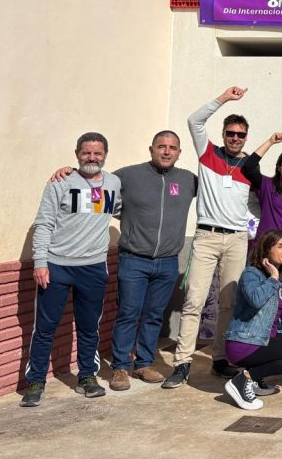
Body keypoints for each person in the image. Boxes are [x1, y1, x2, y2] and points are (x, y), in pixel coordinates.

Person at [21, 134, 121, 407]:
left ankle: (87, 377)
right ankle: (36, 382)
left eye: (97, 153)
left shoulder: (113, 183)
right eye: (86, 153)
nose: (92, 158)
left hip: (93, 267)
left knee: (89, 328)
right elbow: (44, 223)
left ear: (105, 154)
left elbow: (121, 209)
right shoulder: (60, 182)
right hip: (56, 266)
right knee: (45, 328)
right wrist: (40, 262)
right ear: (77, 154)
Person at [164, 86, 252, 389]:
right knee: (194, 301)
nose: (235, 138)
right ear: (223, 134)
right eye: (231, 133)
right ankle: (182, 363)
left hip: (237, 239)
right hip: (206, 236)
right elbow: (194, 121)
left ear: (246, 138)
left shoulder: (249, 166)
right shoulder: (208, 153)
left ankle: (220, 358)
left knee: (229, 303)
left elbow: (260, 201)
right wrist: (224, 98)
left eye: (240, 135)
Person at [107, 132, 198, 391]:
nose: (166, 152)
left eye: (172, 148)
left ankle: (144, 363)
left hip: (168, 261)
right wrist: (69, 172)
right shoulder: (127, 175)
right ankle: (120, 367)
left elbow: (219, 186)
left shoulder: (188, 180)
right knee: (128, 313)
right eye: (161, 147)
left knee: (154, 315)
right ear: (151, 149)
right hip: (133, 259)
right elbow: (95, 182)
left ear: (179, 152)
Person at [222, 230, 282, 410]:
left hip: (263, 339)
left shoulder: (280, 279)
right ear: (266, 250)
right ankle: (244, 380)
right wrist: (272, 278)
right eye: (280, 246)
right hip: (245, 342)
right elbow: (256, 299)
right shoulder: (251, 274)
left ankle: (255, 379)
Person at [240, 129, 282, 296]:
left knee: (280, 298)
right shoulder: (267, 185)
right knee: (256, 296)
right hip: (265, 252)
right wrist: (271, 141)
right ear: (279, 166)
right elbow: (248, 167)